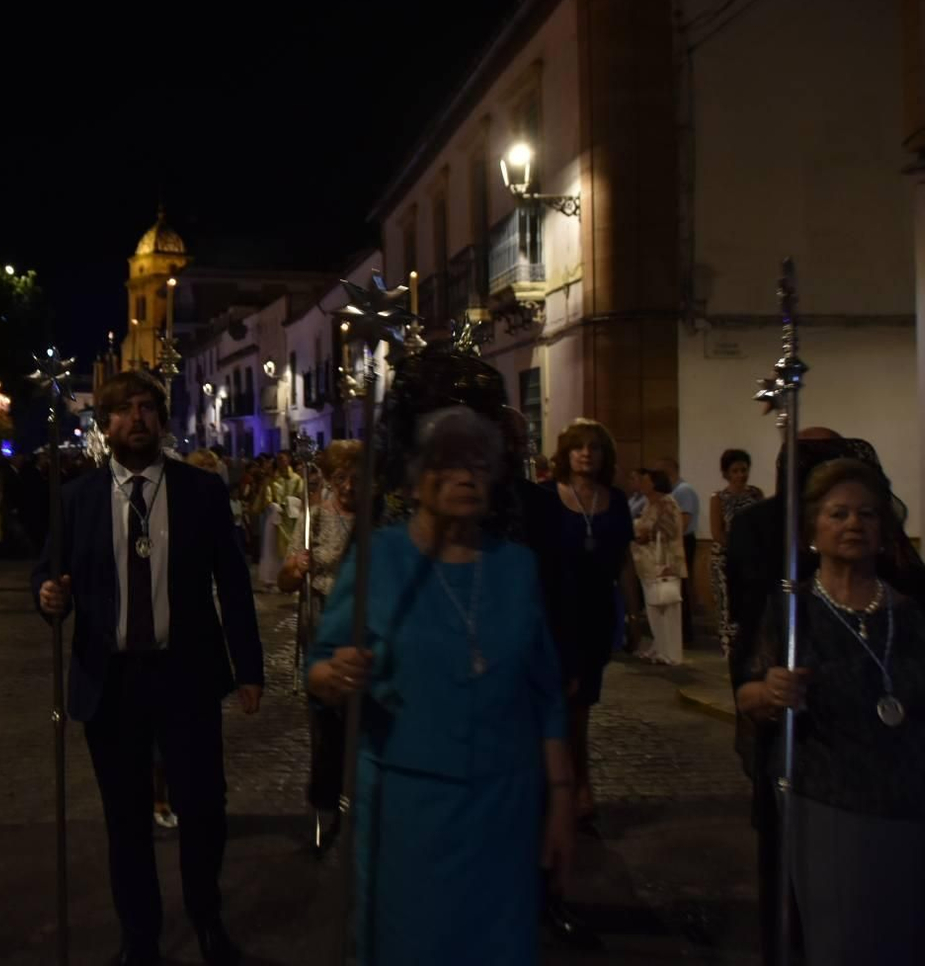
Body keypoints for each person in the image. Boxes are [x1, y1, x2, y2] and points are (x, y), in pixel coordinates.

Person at [307, 406, 574, 965]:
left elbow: (547, 692)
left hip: (505, 807)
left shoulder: (517, 568)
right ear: (415, 480)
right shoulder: (379, 559)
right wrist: (336, 675)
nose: (466, 477)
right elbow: (322, 666)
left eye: (479, 465)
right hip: (407, 809)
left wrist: (561, 799)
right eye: (449, 464)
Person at [34, 370, 263, 966]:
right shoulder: (77, 499)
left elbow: (233, 583)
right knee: (126, 818)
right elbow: (49, 573)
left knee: (204, 808)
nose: (136, 417)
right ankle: (140, 937)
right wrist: (49, 597)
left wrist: (249, 667)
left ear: (162, 419)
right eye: (123, 409)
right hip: (110, 682)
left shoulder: (200, 491)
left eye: (146, 407)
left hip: (185, 675)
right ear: (105, 424)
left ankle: (207, 920)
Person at [737, 459, 925, 966]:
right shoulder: (793, 611)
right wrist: (770, 691)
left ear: (884, 529)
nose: (854, 523)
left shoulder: (920, 612)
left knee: (919, 945)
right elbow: (748, 695)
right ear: (813, 531)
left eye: (868, 514)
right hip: (833, 809)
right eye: (839, 514)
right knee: (846, 946)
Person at [541, 419, 633, 832]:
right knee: (561, 702)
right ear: (566, 454)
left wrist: (632, 613)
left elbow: (624, 561)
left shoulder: (615, 500)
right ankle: (571, 786)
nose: (586, 454)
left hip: (596, 613)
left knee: (581, 706)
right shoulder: (547, 497)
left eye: (594, 447)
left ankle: (575, 784)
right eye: (578, 447)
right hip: (555, 611)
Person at [279, 438, 360, 849]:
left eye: (356, 477)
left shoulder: (378, 520)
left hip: (364, 629)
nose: (348, 486)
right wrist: (296, 567)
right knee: (327, 723)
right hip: (323, 626)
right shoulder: (314, 519)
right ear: (328, 478)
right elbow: (285, 581)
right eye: (340, 477)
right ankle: (328, 803)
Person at [710, 449, 763, 659]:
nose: (741, 474)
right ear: (726, 473)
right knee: (727, 604)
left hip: (752, 558)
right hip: (726, 559)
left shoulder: (755, 494)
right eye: (735, 471)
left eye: (744, 470)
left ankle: (750, 648)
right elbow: (717, 533)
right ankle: (729, 650)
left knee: (751, 603)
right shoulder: (719, 498)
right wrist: (738, 549)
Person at [631, 467, 687, 666]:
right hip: (648, 564)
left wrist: (644, 532)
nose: (641, 484)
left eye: (645, 481)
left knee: (668, 611)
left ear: (655, 483)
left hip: (664, 563)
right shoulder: (650, 503)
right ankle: (660, 647)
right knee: (654, 609)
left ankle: (671, 653)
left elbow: (668, 531)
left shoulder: (666, 503)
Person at [656, 457, 700, 645]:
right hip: (672, 543)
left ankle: (684, 634)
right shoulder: (672, 491)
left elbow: (683, 522)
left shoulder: (683, 490)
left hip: (682, 542)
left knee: (679, 588)